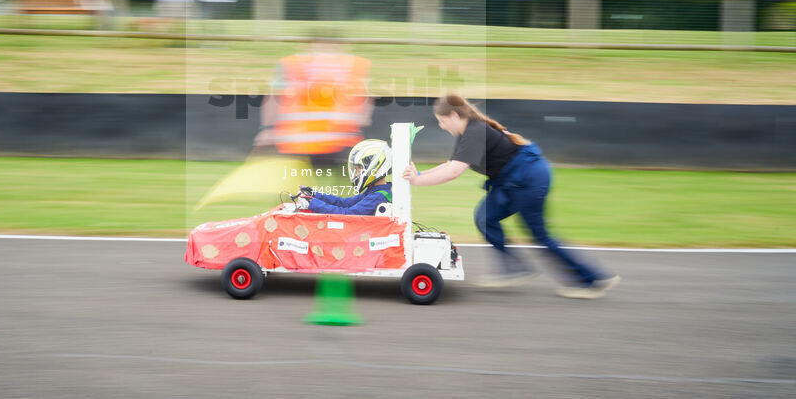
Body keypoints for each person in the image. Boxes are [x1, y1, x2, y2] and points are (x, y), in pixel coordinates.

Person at [402, 94, 620, 299]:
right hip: (513, 181)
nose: (441, 126)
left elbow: (453, 172)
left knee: (540, 235)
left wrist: (418, 181)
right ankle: (514, 268)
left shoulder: (475, 132)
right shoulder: (466, 134)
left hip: (528, 179)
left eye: (441, 121)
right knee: (485, 218)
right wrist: (419, 174)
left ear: (454, 116)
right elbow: (450, 164)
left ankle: (591, 280)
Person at [254, 39, 373, 169]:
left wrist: (267, 129)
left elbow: (274, 98)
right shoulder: (353, 65)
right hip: (332, 141)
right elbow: (364, 102)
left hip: (304, 142)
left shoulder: (292, 64)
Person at [289, 139, 392, 215]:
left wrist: (312, 204)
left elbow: (347, 214)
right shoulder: (373, 192)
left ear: (375, 167)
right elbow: (344, 203)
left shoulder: (377, 197)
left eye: (358, 169)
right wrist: (314, 195)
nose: (356, 174)